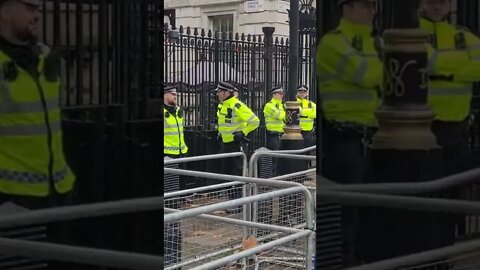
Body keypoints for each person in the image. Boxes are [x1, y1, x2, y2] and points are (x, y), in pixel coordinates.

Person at [0, 0, 76, 268]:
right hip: (10, 196)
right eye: (30, 7)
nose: (37, 15)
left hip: (57, 191)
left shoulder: (45, 56)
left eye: (39, 9)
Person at [316, 0, 382, 266]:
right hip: (344, 139)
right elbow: (368, 75)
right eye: (365, 6)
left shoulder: (374, 42)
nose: (371, 12)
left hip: (372, 137)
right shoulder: (334, 42)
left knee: (369, 209)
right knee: (346, 212)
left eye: (373, 6)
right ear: (347, 8)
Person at [420, 0, 480, 256]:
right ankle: (428, 250)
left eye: (442, 1)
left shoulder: (463, 36)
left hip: (456, 128)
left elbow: (476, 68)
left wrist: (441, 70)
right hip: (422, 127)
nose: (437, 6)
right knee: (423, 195)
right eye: (432, 1)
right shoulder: (412, 33)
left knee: (451, 196)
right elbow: (424, 65)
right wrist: (458, 68)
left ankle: (444, 250)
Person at [216, 81, 259, 213]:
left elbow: (255, 121)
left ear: (227, 93)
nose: (217, 94)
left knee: (236, 173)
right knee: (228, 173)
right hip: (225, 143)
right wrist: (220, 133)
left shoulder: (237, 105)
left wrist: (242, 132)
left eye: (219, 91)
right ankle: (232, 200)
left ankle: (238, 202)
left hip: (235, 145)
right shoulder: (222, 105)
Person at [163, 86, 188, 159]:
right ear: (165, 95)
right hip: (167, 153)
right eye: (172, 94)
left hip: (182, 151)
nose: (175, 96)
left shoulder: (178, 110)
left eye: (176, 94)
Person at [263, 86, 286, 151]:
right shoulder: (269, 105)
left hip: (282, 134)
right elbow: (280, 116)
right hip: (273, 135)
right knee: (275, 157)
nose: (281, 95)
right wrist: (286, 113)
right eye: (279, 93)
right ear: (274, 94)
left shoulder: (282, 105)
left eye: (282, 94)